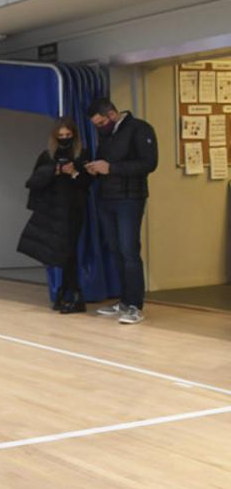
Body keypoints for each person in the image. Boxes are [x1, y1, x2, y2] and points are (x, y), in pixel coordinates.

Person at [86, 97, 158, 325]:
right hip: (107, 198)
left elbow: (149, 163)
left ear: (112, 115)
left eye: (100, 123)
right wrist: (96, 167)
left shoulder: (140, 129)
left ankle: (135, 305)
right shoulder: (107, 134)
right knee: (116, 251)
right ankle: (125, 301)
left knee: (129, 251)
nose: (99, 128)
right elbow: (107, 162)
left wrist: (112, 168)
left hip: (130, 199)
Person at [17, 118, 91, 313]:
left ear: (74, 135)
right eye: (61, 136)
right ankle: (66, 293)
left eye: (68, 135)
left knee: (69, 255)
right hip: (51, 211)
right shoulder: (47, 156)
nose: (65, 139)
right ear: (55, 137)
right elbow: (33, 181)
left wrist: (74, 172)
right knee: (56, 255)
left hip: (73, 210)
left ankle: (73, 294)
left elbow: (88, 183)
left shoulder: (81, 154)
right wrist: (56, 170)